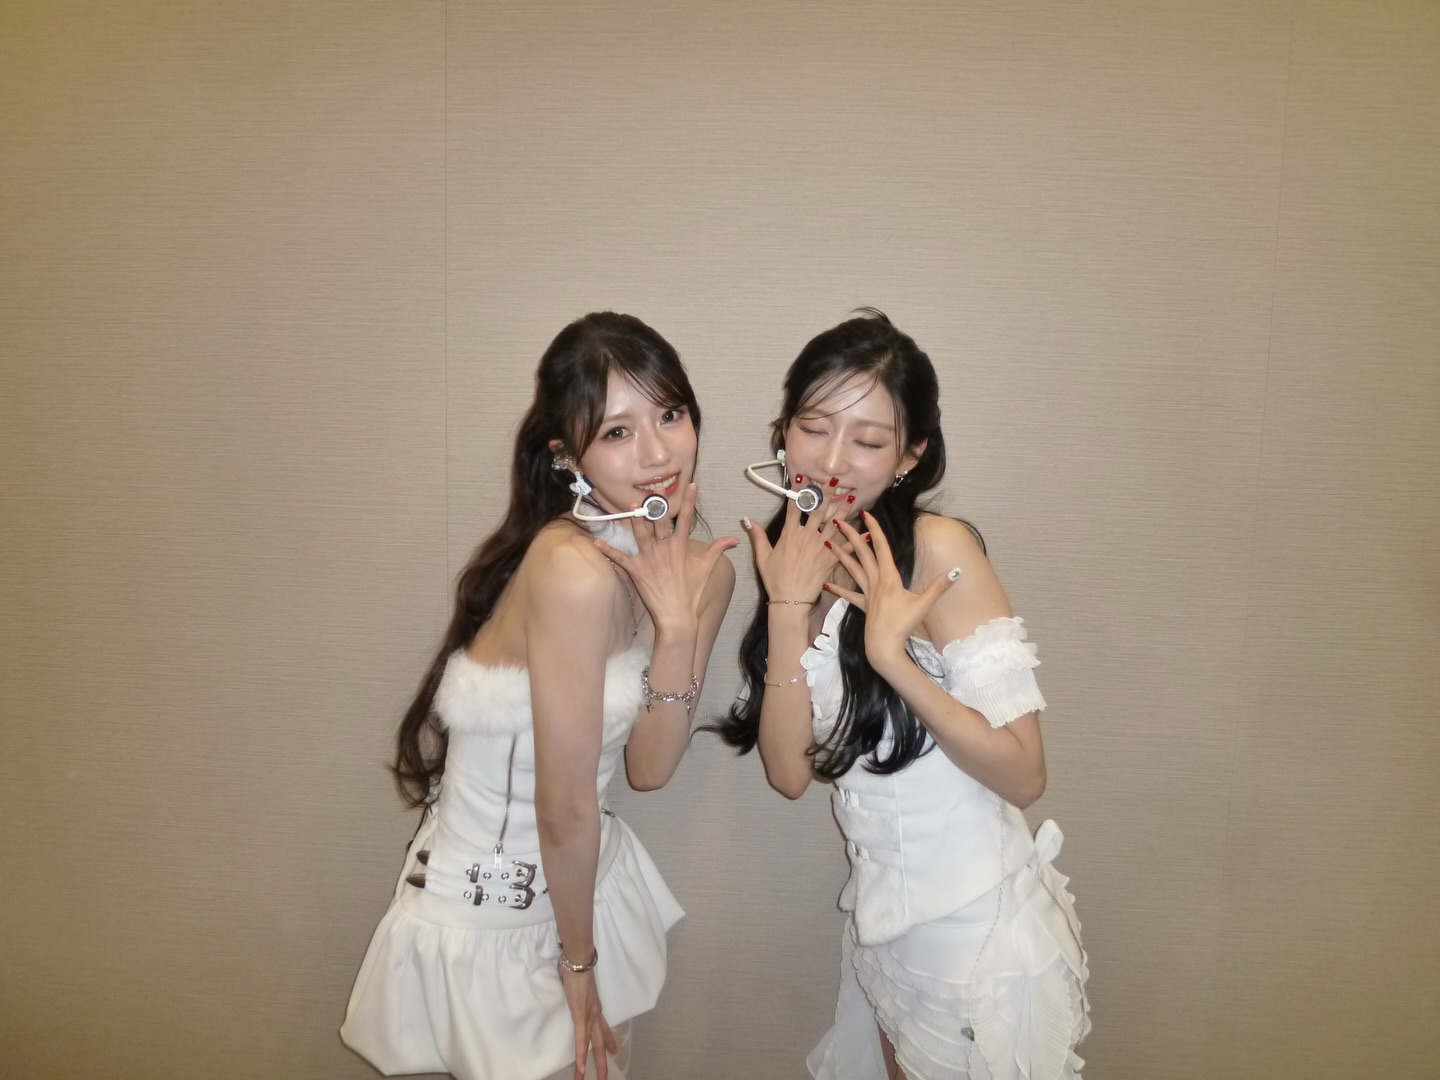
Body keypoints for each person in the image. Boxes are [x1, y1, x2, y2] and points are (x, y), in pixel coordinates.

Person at [342, 312, 737, 1080]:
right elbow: (561, 804)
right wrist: (578, 964)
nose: (658, 453)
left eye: (670, 414)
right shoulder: (568, 567)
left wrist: (677, 629)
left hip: (587, 884)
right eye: (616, 432)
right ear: (567, 456)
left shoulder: (707, 572)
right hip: (496, 913)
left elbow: (650, 768)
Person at [716, 311, 1089, 1080]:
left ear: (911, 456)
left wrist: (895, 660)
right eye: (814, 428)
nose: (832, 461)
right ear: (783, 434)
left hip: (977, 941)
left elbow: (1025, 773)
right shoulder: (795, 557)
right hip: (887, 939)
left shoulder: (937, 551)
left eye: (868, 440)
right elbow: (789, 773)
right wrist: (787, 605)